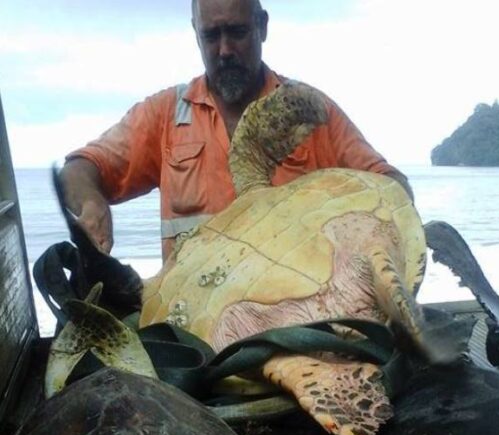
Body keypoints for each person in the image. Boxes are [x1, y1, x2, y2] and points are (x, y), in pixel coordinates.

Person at [60, 0, 414, 261]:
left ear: (262, 26)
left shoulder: (309, 110)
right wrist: (91, 202)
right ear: (195, 34)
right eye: (211, 35)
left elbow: (390, 185)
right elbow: (80, 168)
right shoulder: (165, 115)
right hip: (194, 320)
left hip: (296, 311)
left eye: (238, 32)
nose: (225, 50)